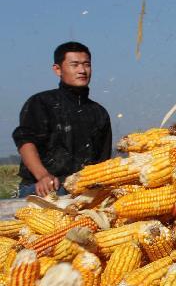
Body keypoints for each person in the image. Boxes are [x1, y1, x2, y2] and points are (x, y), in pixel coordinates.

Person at [13, 41, 112, 198]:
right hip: (43, 188)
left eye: (86, 64)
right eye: (75, 65)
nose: (82, 70)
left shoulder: (99, 113)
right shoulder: (41, 102)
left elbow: (102, 162)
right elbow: (26, 142)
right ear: (57, 69)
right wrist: (43, 176)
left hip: (84, 192)